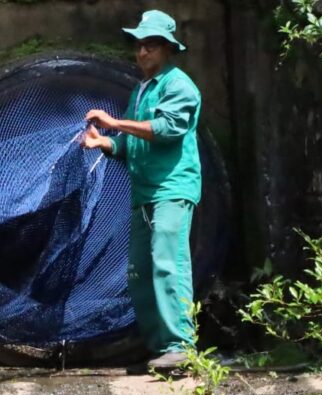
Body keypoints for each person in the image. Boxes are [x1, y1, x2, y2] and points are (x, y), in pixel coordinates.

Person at [82, 10, 202, 372]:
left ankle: (181, 346)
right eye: (139, 45)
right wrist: (107, 143)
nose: (143, 52)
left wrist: (115, 122)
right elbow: (134, 143)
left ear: (167, 49)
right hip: (144, 194)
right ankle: (160, 349)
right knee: (139, 271)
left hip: (172, 188)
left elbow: (165, 130)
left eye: (151, 45)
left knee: (168, 263)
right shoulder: (141, 90)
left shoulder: (180, 86)